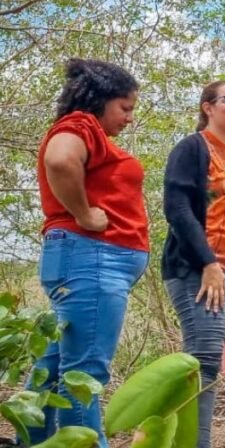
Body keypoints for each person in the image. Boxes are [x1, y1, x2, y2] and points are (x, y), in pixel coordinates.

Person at [26, 58, 149, 448]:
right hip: (91, 257)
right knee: (84, 372)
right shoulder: (81, 126)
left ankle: (33, 441)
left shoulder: (92, 134)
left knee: (53, 366)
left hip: (85, 260)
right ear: (100, 100)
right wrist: (84, 214)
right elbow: (60, 159)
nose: (129, 118)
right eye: (125, 108)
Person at [163, 81, 225, 448]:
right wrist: (208, 263)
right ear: (207, 107)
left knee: (207, 364)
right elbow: (177, 208)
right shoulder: (193, 148)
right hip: (198, 269)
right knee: (201, 360)